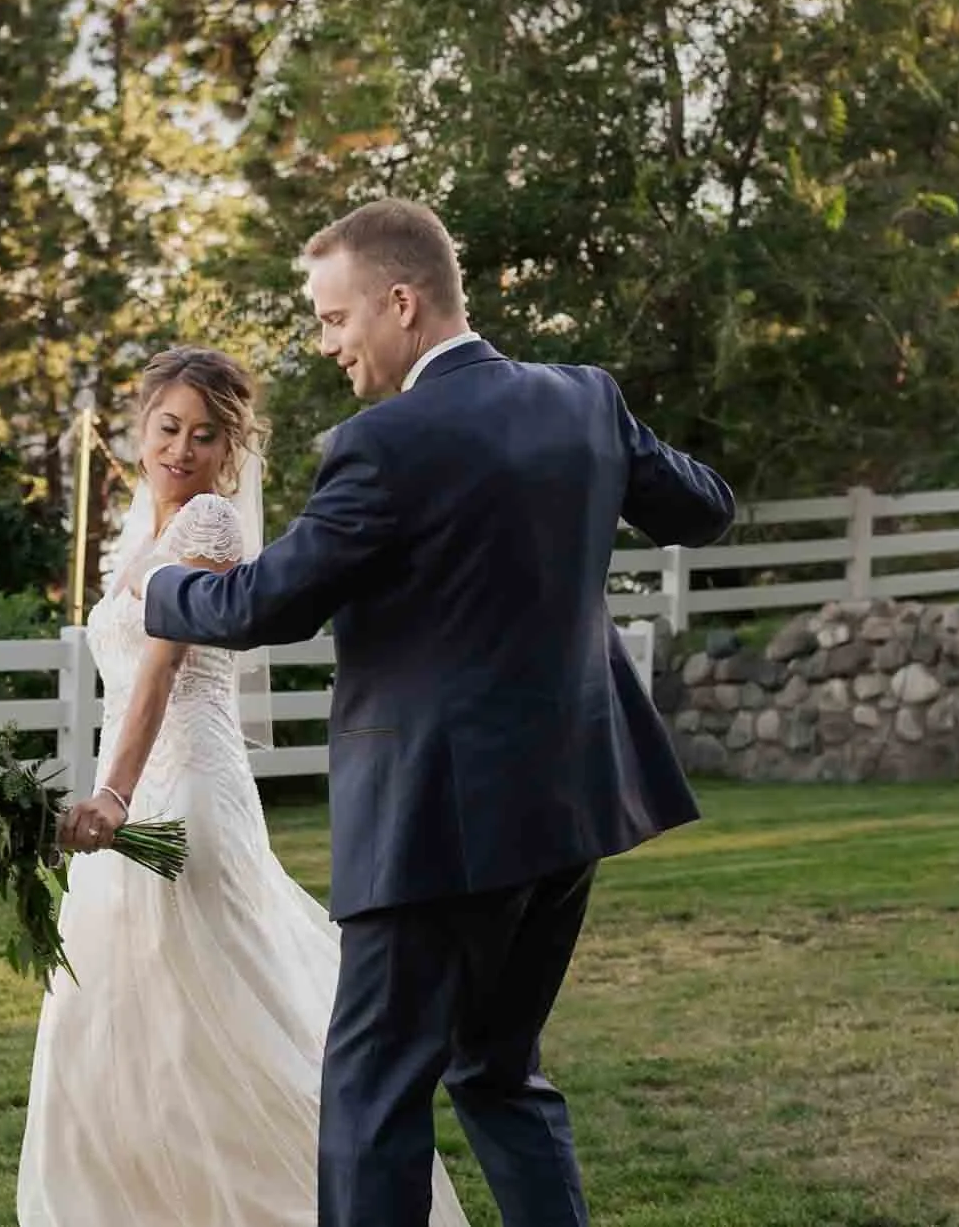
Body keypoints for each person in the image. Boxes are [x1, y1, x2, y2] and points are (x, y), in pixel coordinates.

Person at [140, 197, 736, 1226]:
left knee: (372, 1091)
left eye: (335, 319)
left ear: (400, 303)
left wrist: (157, 586)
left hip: (435, 820)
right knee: (500, 1072)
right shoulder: (583, 399)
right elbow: (705, 507)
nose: (330, 344)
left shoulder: (385, 442)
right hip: (569, 806)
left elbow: (262, 604)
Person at [16, 346, 468, 1226]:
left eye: (205, 435)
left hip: (182, 793)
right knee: (118, 1018)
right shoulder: (140, 527)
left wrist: (113, 794)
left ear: (233, 449)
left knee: (211, 1019)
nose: (181, 450)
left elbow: (157, 669)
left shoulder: (211, 525)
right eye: (167, 428)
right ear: (140, 429)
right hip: (131, 788)